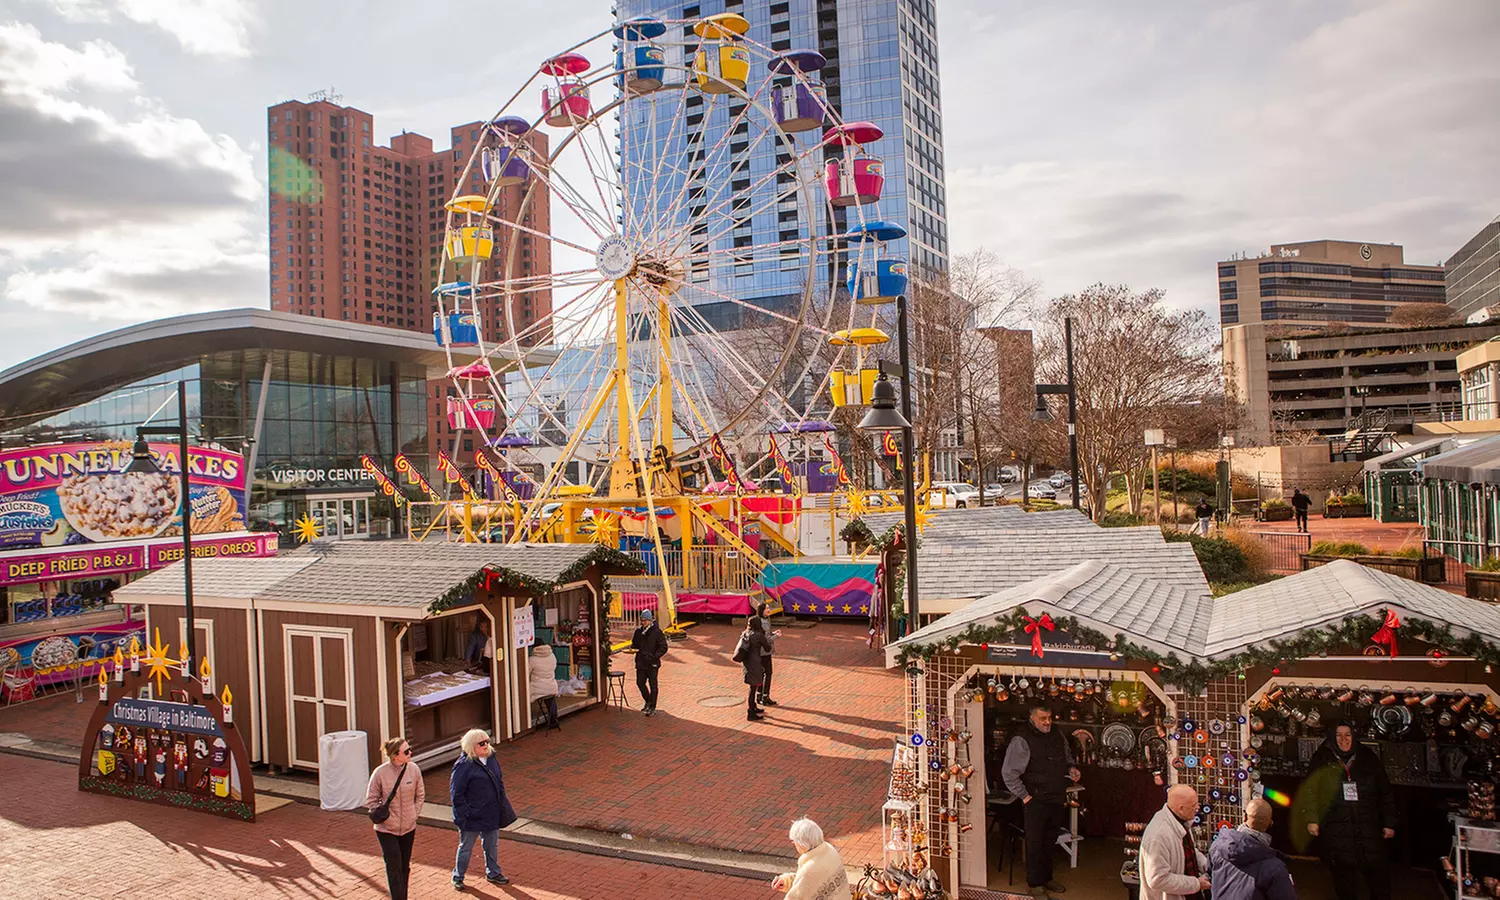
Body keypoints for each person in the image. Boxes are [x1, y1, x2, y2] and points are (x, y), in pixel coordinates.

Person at [1304, 723, 1396, 900]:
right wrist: (1311, 818)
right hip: (1337, 828)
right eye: (1338, 735)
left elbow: (1385, 791)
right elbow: (1309, 791)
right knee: (1344, 880)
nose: (1343, 739)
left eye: (1347, 735)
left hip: (1369, 826)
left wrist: (1389, 822)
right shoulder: (1322, 758)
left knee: (1378, 879)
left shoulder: (1368, 758)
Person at [1001, 705, 1082, 899]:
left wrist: (1071, 769)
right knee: (1035, 843)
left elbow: (1067, 756)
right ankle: (1035, 884)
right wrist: (1025, 796)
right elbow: (1009, 773)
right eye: (1042, 718)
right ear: (1032, 718)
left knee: (1049, 840)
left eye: (1049, 717)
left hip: (1056, 796)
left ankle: (1046, 878)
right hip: (1035, 799)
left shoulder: (1057, 734)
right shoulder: (1021, 739)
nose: (1047, 722)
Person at [449, 728, 517, 890]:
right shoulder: (463, 766)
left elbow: (499, 781)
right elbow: (456, 794)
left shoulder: (491, 759)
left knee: (491, 845)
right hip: (471, 816)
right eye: (482, 743)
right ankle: (458, 875)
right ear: (472, 746)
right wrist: (465, 813)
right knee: (465, 847)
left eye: (487, 741)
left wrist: (501, 802)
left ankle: (493, 872)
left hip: (491, 813)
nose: (486, 745)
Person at [365, 736, 424, 900]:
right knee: (393, 864)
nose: (410, 753)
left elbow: (420, 795)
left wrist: (413, 814)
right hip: (386, 829)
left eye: (409, 749)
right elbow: (370, 800)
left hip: (408, 827)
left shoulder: (414, 770)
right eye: (406, 751)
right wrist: (386, 818)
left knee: (404, 866)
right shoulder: (380, 773)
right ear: (394, 755)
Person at [1208, 797, 1297, 900]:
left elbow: (1210, 877)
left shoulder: (1217, 847)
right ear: (1270, 824)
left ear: (1244, 816)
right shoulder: (1274, 867)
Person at [1140, 784, 1212, 900]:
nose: (1198, 808)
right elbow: (1157, 880)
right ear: (1181, 808)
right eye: (1194, 806)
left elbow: (1188, 850)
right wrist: (1196, 884)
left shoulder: (1180, 820)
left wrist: (1207, 865)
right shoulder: (1158, 836)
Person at [771, 817, 851, 899]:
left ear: (801, 844)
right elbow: (809, 884)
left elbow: (798, 894)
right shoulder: (829, 850)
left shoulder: (809, 870)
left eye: (793, 841)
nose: (793, 844)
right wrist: (786, 881)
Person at [630, 608, 668, 716]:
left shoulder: (657, 632)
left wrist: (654, 656)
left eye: (645, 620)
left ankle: (652, 707)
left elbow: (663, 647)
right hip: (641, 662)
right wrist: (633, 648)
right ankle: (648, 701)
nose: (643, 623)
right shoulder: (638, 632)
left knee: (653, 685)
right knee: (640, 683)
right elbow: (634, 644)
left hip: (652, 663)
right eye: (641, 620)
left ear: (650, 621)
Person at [734, 615, 771, 721]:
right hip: (755, 663)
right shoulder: (759, 635)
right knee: (753, 687)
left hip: (747, 662)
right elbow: (767, 648)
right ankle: (750, 712)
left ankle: (753, 707)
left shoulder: (745, 633)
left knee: (752, 686)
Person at [755, 600, 782, 707]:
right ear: (762, 611)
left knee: (761, 674)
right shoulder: (765, 623)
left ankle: (759, 695)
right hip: (765, 652)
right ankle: (765, 697)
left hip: (758, 651)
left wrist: (773, 633)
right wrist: (777, 636)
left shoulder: (758, 620)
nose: (769, 610)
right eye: (766, 608)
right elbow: (767, 640)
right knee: (768, 673)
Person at [527, 643, 559, 730]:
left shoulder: (532, 659)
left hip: (538, 688)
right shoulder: (552, 655)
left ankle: (525, 720)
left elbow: (526, 672)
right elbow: (554, 667)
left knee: (524, 694)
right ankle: (554, 720)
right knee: (551, 699)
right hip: (551, 685)